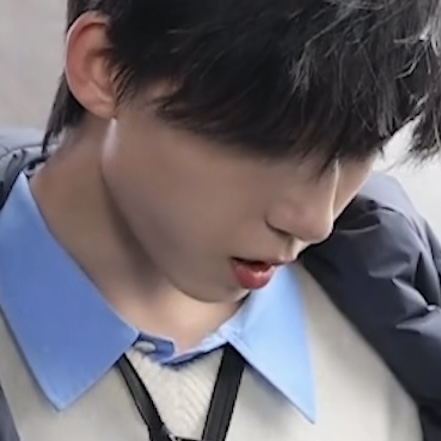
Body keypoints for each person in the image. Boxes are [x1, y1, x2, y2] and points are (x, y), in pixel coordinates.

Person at [0, 1, 440, 440]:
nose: (315, 220)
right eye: (271, 140)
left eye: (362, 146)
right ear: (104, 66)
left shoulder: (396, 339)